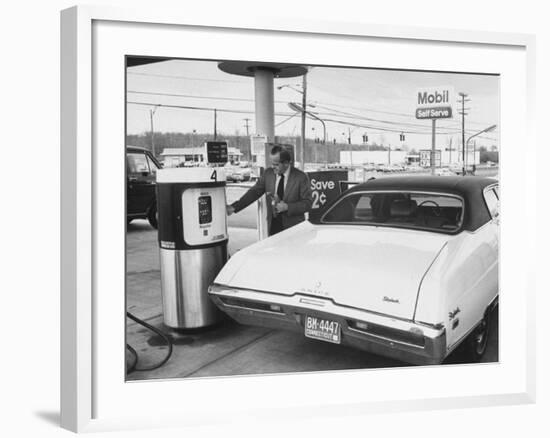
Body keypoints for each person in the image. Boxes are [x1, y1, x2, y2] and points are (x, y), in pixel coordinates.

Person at [226, 145, 312, 236]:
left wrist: (287, 207)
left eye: (276, 164)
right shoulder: (268, 173)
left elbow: (308, 204)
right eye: (272, 163)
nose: (272, 167)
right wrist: (234, 207)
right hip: (273, 226)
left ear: (286, 163)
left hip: (294, 229)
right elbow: (254, 192)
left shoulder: (301, 177)